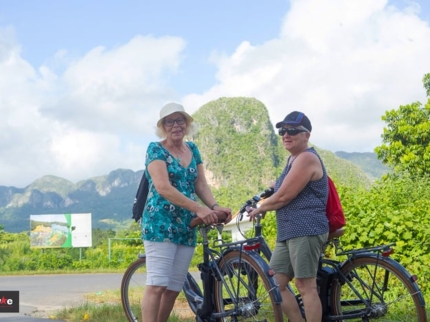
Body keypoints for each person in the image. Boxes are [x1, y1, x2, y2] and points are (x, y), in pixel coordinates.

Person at [141, 102, 232, 322]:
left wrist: (214, 207)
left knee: (173, 287)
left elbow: (200, 184)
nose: (176, 125)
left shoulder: (193, 150)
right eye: (169, 121)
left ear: (187, 123)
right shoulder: (156, 149)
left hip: (187, 225)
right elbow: (163, 187)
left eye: (180, 120)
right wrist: (198, 208)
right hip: (160, 224)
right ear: (162, 126)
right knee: (157, 284)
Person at [247, 111, 329, 322]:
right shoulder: (292, 159)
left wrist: (260, 208)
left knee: (306, 285)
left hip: (306, 229)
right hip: (289, 231)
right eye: (283, 130)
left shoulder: (307, 158)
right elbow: (279, 188)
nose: (286, 135)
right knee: (276, 284)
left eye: (292, 131)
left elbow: (284, 196)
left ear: (306, 135)